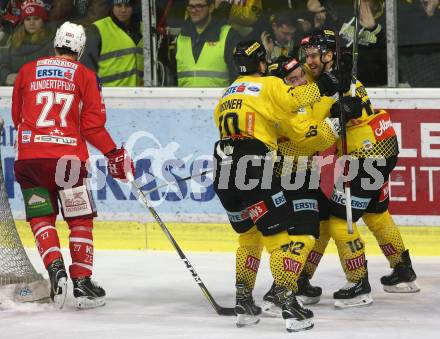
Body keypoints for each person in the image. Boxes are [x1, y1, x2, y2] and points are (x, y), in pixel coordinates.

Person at [213, 40, 346, 331]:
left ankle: (244, 303)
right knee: (280, 240)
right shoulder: (270, 85)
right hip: (253, 168)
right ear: (262, 63)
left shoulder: (228, 92)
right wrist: (325, 85)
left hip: (223, 169)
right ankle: (287, 304)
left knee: (248, 239)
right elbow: (292, 100)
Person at [11, 21, 135, 309]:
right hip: (68, 160)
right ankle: (81, 282)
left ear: (55, 42)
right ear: (80, 48)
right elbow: (91, 126)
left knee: (41, 217)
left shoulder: (27, 71)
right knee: (79, 219)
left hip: (30, 159)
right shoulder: (85, 75)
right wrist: (114, 153)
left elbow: (18, 117)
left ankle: (55, 269)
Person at [297, 29, 419, 308]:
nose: (309, 60)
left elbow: (311, 132)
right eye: (307, 55)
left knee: (339, 220)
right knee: (377, 213)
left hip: (366, 157)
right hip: (381, 147)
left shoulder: (331, 86)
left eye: (314, 55)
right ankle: (403, 270)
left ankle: (358, 284)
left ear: (329, 56)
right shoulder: (338, 77)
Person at [174, 0, 241, 87]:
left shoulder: (229, 35)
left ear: (211, 8)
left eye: (199, 6)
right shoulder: (181, 38)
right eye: (191, 7)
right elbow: (174, 76)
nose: (194, 10)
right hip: (185, 99)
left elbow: (239, 76)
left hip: (219, 99)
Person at [81, 0, 143, 86]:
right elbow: (86, 69)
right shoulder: (98, 29)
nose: (123, 10)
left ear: (133, 7)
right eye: (118, 5)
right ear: (112, 6)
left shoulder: (144, 30)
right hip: (108, 96)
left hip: (141, 95)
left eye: (127, 6)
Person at [0, 0, 54, 85]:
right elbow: (3, 64)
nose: (31, 23)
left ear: (43, 20)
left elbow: (56, 71)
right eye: (27, 19)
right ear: (23, 22)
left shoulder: (53, 42)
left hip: (39, 89)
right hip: (11, 90)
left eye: (36, 19)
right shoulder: (14, 39)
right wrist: (6, 76)